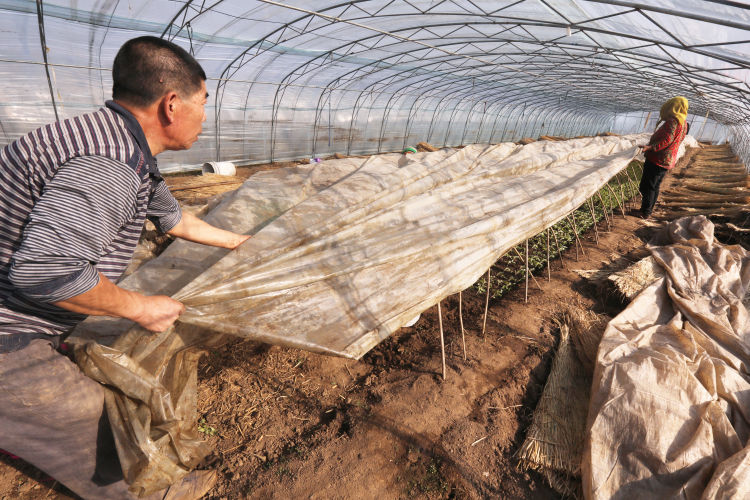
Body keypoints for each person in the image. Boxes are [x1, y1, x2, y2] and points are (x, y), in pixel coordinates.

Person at [0, 36, 249, 499]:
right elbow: (45, 271)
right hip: (6, 336)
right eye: (203, 104)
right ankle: (154, 492)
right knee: (91, 419)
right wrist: (139, 307)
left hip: (21, 312)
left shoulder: (118, 142)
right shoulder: (110, 165)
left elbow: (172, 219)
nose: (205, 118)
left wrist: (239, 242)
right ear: (172, 104)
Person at [636, 96, 689, 218]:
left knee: (647, 186)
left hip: (658, 159)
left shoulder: (673, 121)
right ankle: (647, 210)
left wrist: (650, 147)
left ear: (673, 107)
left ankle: (645, 212)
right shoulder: (683, 123)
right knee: (655, 186)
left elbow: (667, 139)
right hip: (668, 160)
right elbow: (677, 140)